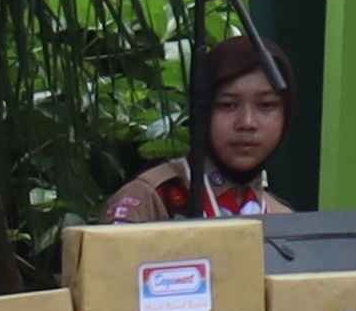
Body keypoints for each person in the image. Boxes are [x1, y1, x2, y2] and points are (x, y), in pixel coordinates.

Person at [103, 36, 290, 224]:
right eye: (228, 105)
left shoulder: (285, 218)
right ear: (201, 110)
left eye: (266, 105)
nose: (247, 123)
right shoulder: (150, 199)